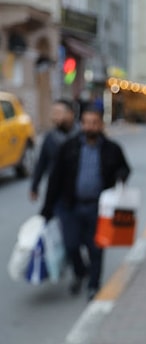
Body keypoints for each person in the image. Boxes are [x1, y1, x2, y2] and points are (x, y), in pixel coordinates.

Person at [40, 106, 131, 300]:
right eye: (86, 123)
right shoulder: (69, 147)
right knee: (71, 245)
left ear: (101, 125)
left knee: (96, 248)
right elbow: (55, 178)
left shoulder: (111, 149)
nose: (90, 127)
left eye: (94, 123)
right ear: (81, 125)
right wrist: (47, 209)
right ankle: (80, 272)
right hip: (70, 206)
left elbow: (124, 168)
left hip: (98, 208)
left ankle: (93, 285)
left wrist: (121, 175)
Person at [30, 99, 78, 201]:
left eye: (58, 113)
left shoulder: (83, 135)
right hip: (57, 190)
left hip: (79, 191)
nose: (55, 117)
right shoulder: (50, 138)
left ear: (70, 114)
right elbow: (41, 163)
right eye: (53, 113)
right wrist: (34, 187)